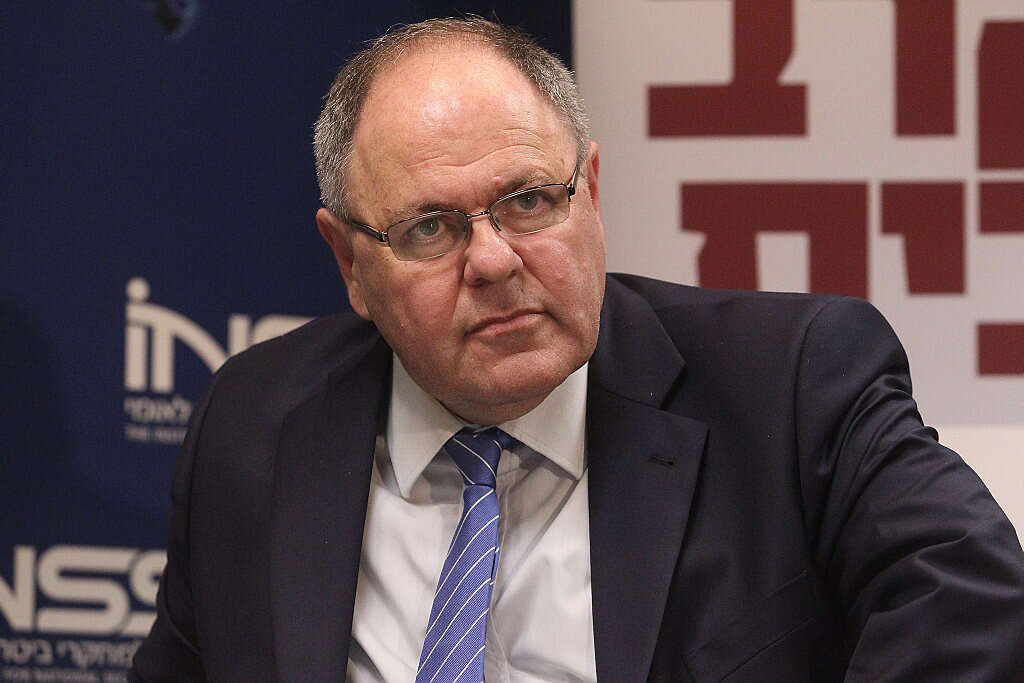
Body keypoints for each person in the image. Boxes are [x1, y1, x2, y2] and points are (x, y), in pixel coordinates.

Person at [130, 17, 1024, 683]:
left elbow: (974, 602)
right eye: (430, 227)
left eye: (528, 201)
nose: (493, 260)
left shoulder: (792, 382)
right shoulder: (255, 423)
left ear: (589, 191)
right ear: (351, 264)